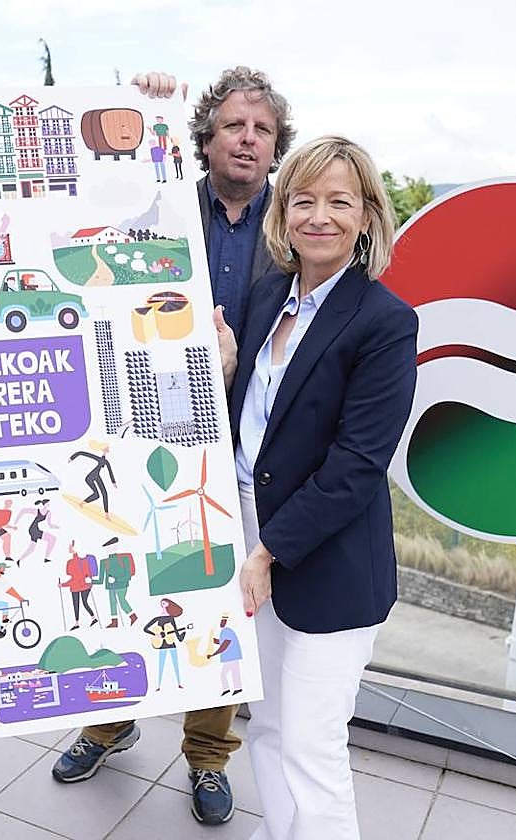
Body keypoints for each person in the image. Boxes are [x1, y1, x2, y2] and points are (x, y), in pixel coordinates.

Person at [52, 66, 297, 827]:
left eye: (261, 129)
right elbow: (91, 187)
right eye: (233, 125)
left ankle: (207, 757)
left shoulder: (294, 229)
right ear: (205, 138)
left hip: (243, 451)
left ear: (276, 145)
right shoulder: (157, 206)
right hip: (141, 432)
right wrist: (135, 97)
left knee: (220, 609)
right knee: (122, 581)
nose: (248, 138)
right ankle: (108, 722)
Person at [225, 135, 415, 840]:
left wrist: (268, 552)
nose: (320, 216)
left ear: (367, 215)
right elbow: (258, 421)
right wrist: (224, 368)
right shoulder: (266, 295)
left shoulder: (384, 322)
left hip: (323, 559)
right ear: (283, 208)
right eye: (304, 199)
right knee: (269, 725)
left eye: (340, 201)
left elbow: (356, 465)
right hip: (249, 533)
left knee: (312, 744)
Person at [144, 597, 190, 689]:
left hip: (171, 644)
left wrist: (183, 633)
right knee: (161, 665)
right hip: (161, 645)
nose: (162, 605)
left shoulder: (171, 619)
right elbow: (145, 629)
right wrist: (155, 634)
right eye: (162, 603)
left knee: (175, 664)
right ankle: (158, 686)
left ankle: (179, 683)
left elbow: (177, 634)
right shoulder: (157, 619)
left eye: (164, 603)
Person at [97, 537, 137, 629]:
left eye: (110, 547)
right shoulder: (104, 562)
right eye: (107, 548)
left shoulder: (124, 558)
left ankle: (133, 617)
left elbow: (128, 575)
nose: (108, 550)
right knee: (112, 603)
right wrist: (89, 581)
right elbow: (100, 580)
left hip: (122, 584)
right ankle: (114, 622)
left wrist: (116, 579)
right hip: (110, 586)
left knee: (122, 601)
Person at [59, 540, 99, 629]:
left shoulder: (72, 562)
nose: (69, 548)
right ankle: (83, 621)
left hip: (80, 586)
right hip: (82, 586)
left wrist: (63, 585)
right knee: (81, 603)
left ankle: (87, 620)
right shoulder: (72, 562)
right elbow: (75, 578)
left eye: (70, 546)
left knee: (78, 603)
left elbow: (74, 578)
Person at [69, 441, 116, 516]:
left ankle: (105, 513)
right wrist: (72, 458)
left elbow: (110, 471)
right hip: (90, 477)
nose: (108, 449)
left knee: (101, 494)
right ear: (103, 449)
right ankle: (105, 513)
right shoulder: (100, 459)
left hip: (96, 476)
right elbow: (82, 453)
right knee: (99, 494)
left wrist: (113, 482)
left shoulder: (106, 461)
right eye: (107, 448)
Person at [207, 614, 243, 696]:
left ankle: (233, 689)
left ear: (226, 621)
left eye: (222, 621)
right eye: (221, 621)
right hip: (230, 657)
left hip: (231, 657)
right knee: (233, 673)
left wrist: (212, 655)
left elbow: (224, 645)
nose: (221, 622)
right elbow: (222, 642)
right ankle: (234, 689)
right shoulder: (225, 631)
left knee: (226, 674)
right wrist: (211, 639)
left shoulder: (227, 631)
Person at [14, 498, 59, 563]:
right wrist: (16, 521)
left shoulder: (48, 513)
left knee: (32, 548)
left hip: (35, 529)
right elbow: (23, 510)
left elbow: (49, 524)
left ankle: (19, 560)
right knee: (52, 539)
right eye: (48, 503)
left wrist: (56, 527)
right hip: (33, 529)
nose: (49, 504)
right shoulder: (37, 511)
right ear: (44, 504)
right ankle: (46, 558)